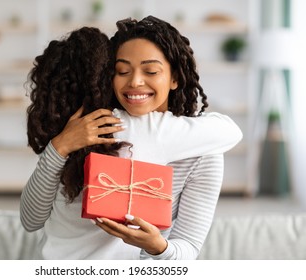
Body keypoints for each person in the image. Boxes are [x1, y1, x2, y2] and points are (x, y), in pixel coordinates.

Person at [20, 18, 242, 259]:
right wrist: (60, 146)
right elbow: (32, 219)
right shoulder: (92, 127)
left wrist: (158, 248)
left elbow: (187, 248)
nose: (134, 81)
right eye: (122, 71)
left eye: (151, 71)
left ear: (175, 77)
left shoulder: (201, 147)